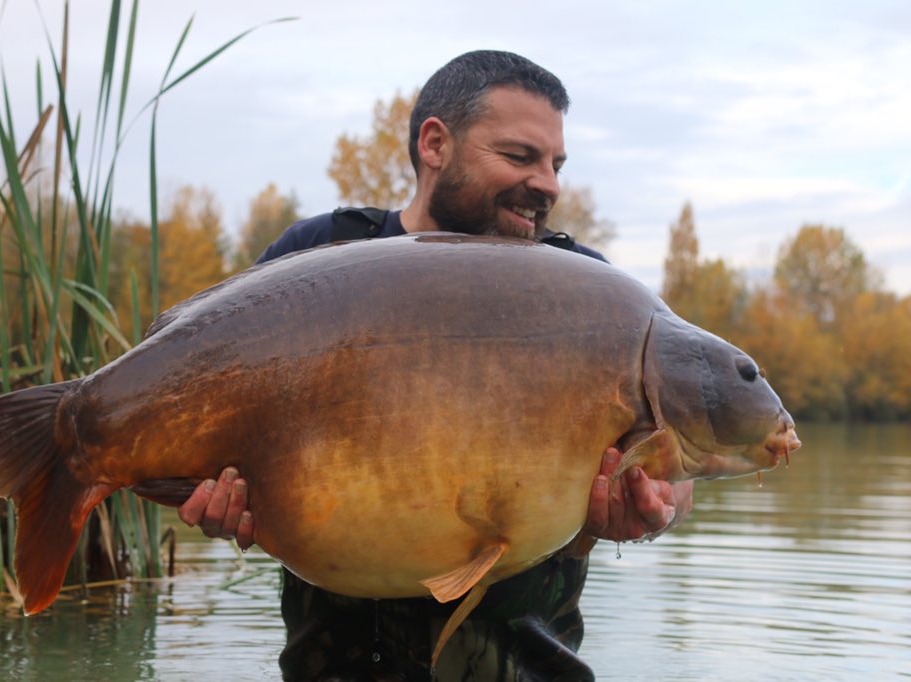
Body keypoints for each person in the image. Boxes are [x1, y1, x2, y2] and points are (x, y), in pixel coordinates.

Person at [179, 50, 694, 681]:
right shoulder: (314, 259)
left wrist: (652, 510)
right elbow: (205, 422)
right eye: (519, 157)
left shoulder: (588, 293)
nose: (550, 184)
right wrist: (212, 493)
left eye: (556, 164)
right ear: (434, 144)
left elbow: (677, 462)